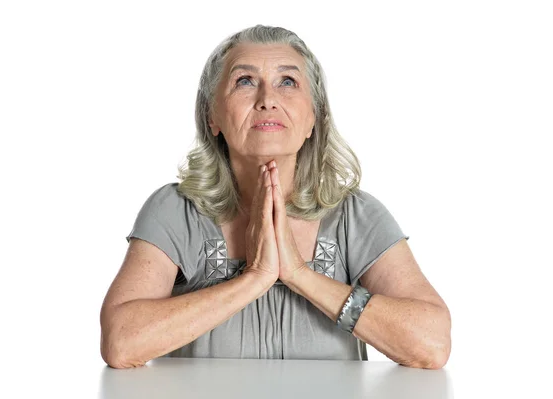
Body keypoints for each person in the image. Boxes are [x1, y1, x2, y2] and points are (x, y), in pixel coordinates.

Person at [100, 24, 451, 369]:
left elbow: (432, 344)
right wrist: (254, 278)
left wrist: (299, 274)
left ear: (314, 117)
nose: (267, 100)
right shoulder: (176, 211)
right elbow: (121, 342)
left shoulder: (354, 216)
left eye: (288, 82)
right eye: (244, 81)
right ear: (213, 116)